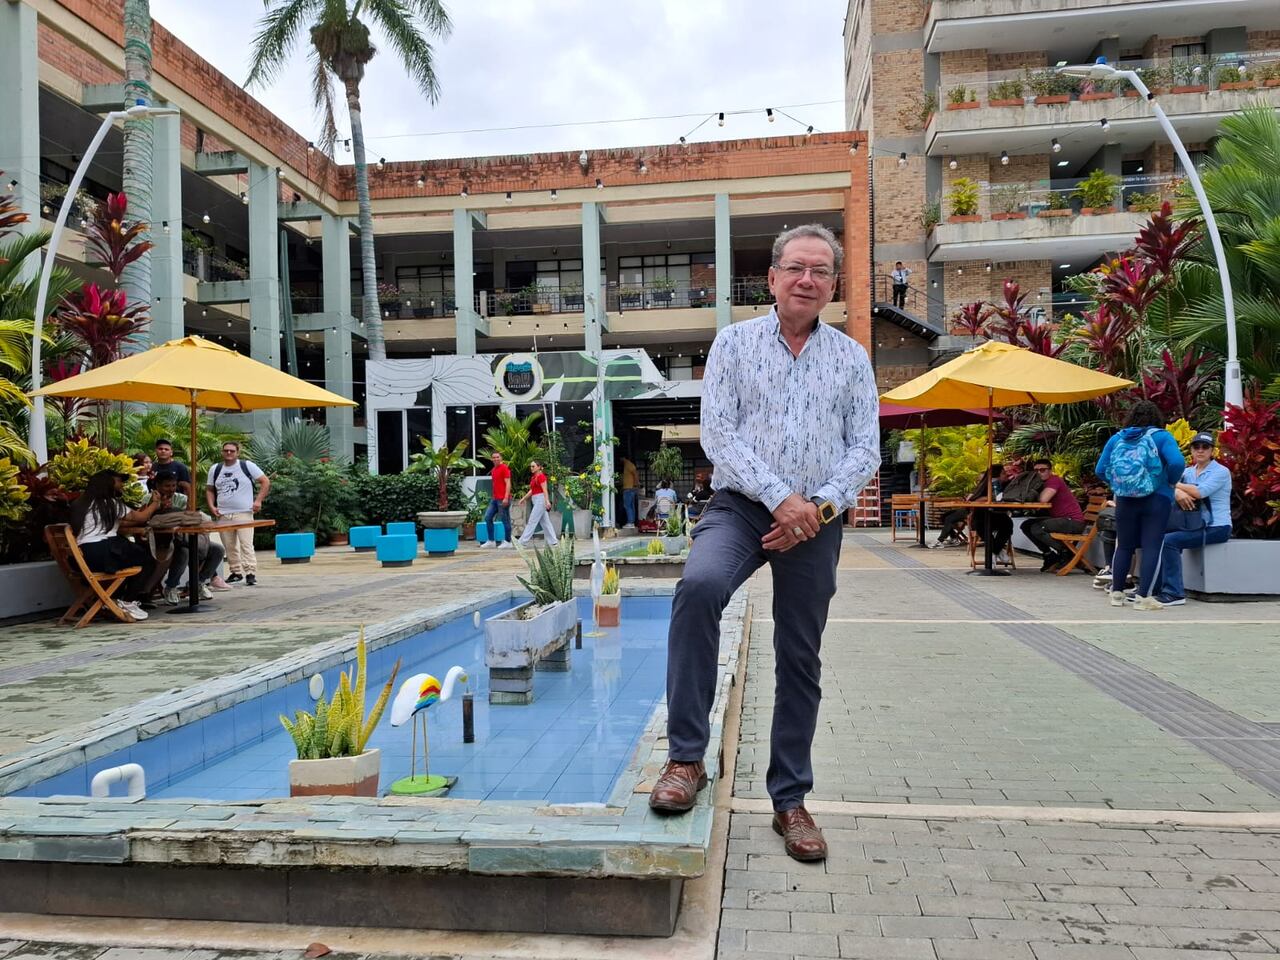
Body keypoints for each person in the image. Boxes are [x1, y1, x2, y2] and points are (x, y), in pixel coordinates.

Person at [650, 223, 879, 865]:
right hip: (743, 508)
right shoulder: (733, 344)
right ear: (773, 278)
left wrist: (817, 508)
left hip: (816, 521)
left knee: (799, 654)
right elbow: (718, 434)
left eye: (821, 272)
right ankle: (685, 761)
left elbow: (866, 448)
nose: (808, 280)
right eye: (797, 269)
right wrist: (782, 498)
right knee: (697, 589)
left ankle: (789, 800)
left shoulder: (850, 357)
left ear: (832, 285)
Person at [1095, 400, 1184, 608]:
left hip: (1125, 499)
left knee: (1124, 546)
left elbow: (1100, 469)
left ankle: (1116, 594)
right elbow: (1178, 463)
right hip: (1157, 498)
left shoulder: (1118, 438)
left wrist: (1119, 484)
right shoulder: (1161, 437)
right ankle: (1143, 597)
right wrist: (1170, 482)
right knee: (1152, 546)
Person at [69, 469, 167, 621]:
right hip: (103, 552)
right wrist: (155, 502)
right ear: (108, 484)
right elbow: (141, 518)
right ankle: (128, 601)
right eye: (119, 481)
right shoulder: (110, 504)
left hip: (83, 556)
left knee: (132, 558)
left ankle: (113, 600)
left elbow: (120, 521)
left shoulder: (81, 505)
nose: (122, 485)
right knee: (148, 560)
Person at [1151, 431, 1232, 607]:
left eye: (1205, 447)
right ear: (1192, 451)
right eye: (1196, 447)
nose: (1200, 451)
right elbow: (1163, 486)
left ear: (1213, 451)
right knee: (1157, 537)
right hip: (1193, 524)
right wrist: (1176, 490)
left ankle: (1174, 593)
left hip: (1217, 527)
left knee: (1169, 541)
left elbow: (1199, 492)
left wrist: (1175, 485)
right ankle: (1154, 589)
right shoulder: (1188, 472)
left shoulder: (1221, 472)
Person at [153, 470, 225, 605]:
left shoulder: (180, 498)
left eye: (173, 486)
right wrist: (157, 507)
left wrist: (189, 493)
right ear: (158, 486)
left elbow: (192, 516)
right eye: (167, 486)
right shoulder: (150, 498)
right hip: (163, 542)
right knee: (184, 552)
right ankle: (171, 586)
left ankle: (197, 583)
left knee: (217, 550)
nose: (171, 489)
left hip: (184, 538)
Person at [205, 440, 269, 586]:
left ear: (237, 453)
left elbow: (265, 481)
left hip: (244, 512)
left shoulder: (246, 466)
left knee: (246, 543)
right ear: (222, 452)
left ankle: (251, 572)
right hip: (223, 513)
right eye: (226, 450)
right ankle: (235, 571)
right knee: (229, 545)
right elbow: (209, 489)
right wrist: (211, 506)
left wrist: (258, 501)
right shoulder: (215, 469)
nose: (228, 453)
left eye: (232, 451)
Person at [1020, 458, 1087, 572]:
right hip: (1060, 519)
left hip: (1072, 521)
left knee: (1037, 528)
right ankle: (1048, 554)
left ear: (1050, 471)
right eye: (1036, 471)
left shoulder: (1054, 480)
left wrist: (1033, 491)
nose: (1039, 473)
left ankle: (1065, 552)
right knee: (1026, 525)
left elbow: (1043, 500)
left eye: (1042, 470)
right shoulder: (1043, 483)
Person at [934, 464, 1010, 553]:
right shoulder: (986, 486)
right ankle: (953, 537)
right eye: (1004, 473)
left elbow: (992, 498)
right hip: (973, 511)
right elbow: (975, 498)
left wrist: (978, 498)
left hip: (975, 511)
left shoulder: (1001, 486)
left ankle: (942, 540)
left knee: (949, 518)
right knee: (944, 517)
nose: (1006, 475)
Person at [516, 459, 558, 546]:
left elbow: (544, 490)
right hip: (536, 499)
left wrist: (547, 501)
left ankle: (522, 541)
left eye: (533, 466)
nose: (531, 468)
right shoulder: (534, 477)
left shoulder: (541, 476)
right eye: (531, 466)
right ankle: (553, 541)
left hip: (540, 499)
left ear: (539, 467)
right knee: (545, 522)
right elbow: (532, 490)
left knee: (532, 520)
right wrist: (524, 498)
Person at [480, 451, 513, 550]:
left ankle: (508, 542)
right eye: (494, 457)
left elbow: (508, 483)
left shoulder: (504, 468)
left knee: (505, 520)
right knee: (487, 517)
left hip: (503, 499)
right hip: (495, 499)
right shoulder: (494, 470)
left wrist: (506, 497)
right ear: (491, 459)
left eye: (497, 457)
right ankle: (491, 541)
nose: (496, 459)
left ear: (501, 458)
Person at [621, 456, 640, 528]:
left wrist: (635, 484)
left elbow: (635, 474)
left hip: (629, 488)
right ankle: (632, 522)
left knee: (627, 505)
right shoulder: (627, 465)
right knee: (631, 506)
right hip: (630, 488)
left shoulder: (628, 464)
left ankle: (630, 522)